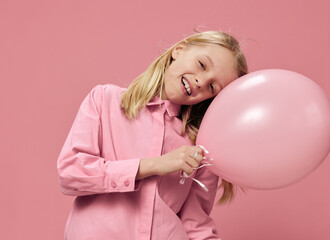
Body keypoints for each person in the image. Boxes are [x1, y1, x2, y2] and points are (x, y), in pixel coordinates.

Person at [57, 30, 248, 240]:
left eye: (212, 86)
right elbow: (71, 172)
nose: (201, 81)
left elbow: (196, 224)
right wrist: (154, 165)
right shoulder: (105, 100)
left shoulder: (199, 146)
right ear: (179, 50)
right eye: (202, 65)